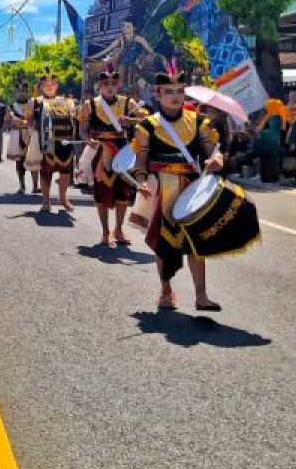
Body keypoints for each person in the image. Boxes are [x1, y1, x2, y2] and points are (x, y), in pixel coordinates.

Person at [131, 64, 226, 311]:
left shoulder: (198, 122)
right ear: (158, 94)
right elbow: (140, 161)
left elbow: (211, 151)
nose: (176, 96)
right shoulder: (147, 126)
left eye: (179, 91)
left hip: (193, 188)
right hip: (163, 189)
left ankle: (201, 296)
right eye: (169, 91)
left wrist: (216, 159)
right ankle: (165, 291)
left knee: (196, 243)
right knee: (163, 244)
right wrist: (141, 180)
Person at [78, 65, 141, 247]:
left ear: (119, 84)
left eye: (113, 83)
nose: (110, 86)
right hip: (99, 151)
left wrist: (131, 121)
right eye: (106, 83)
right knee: (101, 193)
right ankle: (105, 232)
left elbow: (146, 121)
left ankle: (119, 230)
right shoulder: (90, 105)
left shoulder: (128, 103)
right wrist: (87, 140)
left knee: (123, 193)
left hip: (122, 152)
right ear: (100, 85)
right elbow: (82, 130)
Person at [27, 69, 78, 213]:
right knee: (46, 172)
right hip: (46, 143)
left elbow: (76, 119)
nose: (49, 86)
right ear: (41, 86)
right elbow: (29, 121)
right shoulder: (35, 102)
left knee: (66, 172)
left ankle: (62, 198)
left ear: (57, 85)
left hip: (65, 142)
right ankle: (45, 201)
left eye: (53, 83)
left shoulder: (68, 101)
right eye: (46, 84)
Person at [6, 83, 38, 194]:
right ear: (16, 93)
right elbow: (7, 121)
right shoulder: (11, 107)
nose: (21, 93)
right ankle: (22, 186)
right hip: (17, 134)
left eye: (23, 90)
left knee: (34, 159)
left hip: (31, 134)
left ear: (27, 92)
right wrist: (12, 121)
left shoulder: (33, 104)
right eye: (19, 91)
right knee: (20, 161)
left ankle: (35, 186)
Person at [256, 99, 286, 184]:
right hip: (270, 142)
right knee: (268, 160)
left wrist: (262, 132)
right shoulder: (273, 115)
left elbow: (273, 130)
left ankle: (270, 178)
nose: (266, 108)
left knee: (270, 161)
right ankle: (267, 178)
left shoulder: (276, 117)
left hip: (271, 142)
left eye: (268, 106)